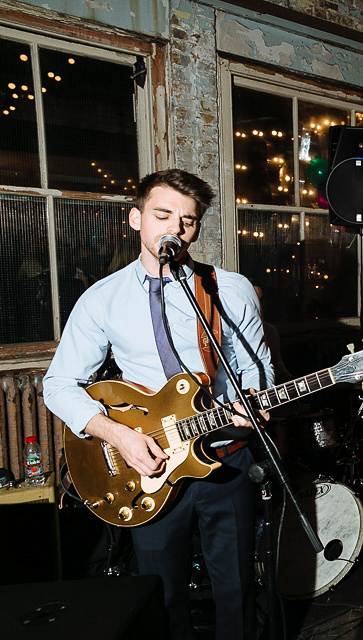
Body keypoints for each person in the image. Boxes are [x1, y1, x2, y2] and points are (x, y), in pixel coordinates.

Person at [44, 169, 273, 640]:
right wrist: (119, 435)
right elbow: (60, 384)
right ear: (136, 219)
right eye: (162, 214)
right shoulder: (101, 300)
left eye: (187, 221)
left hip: (226, 457)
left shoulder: (228, 289)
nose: (174, 229)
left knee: (238, 590)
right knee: (164, 596)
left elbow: (258, 370)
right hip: (146, 465)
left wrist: (255, 403)